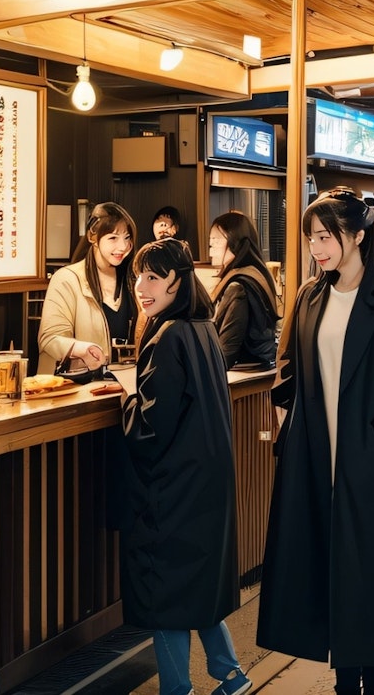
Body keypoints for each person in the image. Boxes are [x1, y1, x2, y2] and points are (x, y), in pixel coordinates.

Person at [256, 186, 374, 695]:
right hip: (315, 457)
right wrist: (288, 424)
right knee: (326, 569)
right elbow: (290, 368)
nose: (318, 248)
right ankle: (342, 681)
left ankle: (371, 681)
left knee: (369, 575)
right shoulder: (310, 297)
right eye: (312, 238)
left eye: (326, 236)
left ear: (357, 235)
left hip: (368, 460)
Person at [122, 238, 251, 695]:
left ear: (177, 280)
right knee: (195, 587)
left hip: (174, 486)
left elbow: (152, 425)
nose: (141, 286)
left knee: (166, 594)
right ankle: (230, 673)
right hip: (205, 482)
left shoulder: (167, 335)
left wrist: (123, 401)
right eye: (139, 276)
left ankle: (177, 690)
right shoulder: (201, 326)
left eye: (153, 277)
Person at [38, 201, 138, 374]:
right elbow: (49, 338)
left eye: (127, 238)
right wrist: (81, 349)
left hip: (125, 386)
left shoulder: (134, 280)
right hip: (77, 388)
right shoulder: (67, 279)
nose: (122, 247)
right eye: (113, 238)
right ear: (93, 237)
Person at [208, 211, 281, 370]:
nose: (211, 249)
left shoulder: (238, 286)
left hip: (242, 375)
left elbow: (228, 349)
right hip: (259, 369)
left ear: (235, 242)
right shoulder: (257, 274)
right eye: (210, 242)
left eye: (216, 241)